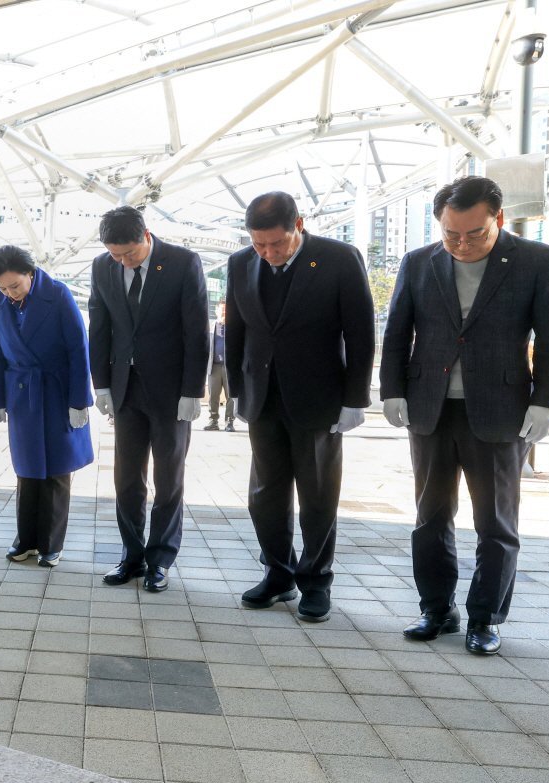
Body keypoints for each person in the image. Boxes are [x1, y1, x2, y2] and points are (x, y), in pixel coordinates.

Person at [381, 176, 549, 655]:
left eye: (475, 233)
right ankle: (436, 609)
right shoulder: (418, 262)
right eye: (451, 234)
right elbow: (398, 333)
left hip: (501, 412)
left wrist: (548, 400)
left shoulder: (536, 260)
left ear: (499, 220)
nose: (461, 244)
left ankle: (485, 617)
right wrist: (392, 391)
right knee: (430, 517)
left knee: (496, 523)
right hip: (431, 409)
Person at [225, 192, 375, 623]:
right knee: (264, 495)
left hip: (319, 399)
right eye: (259, 244)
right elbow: (237, 331)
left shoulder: (339, 258)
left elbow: (361, 332)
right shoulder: (240, 263)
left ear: (299, 225)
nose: (268, 253)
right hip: (263, 396)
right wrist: (236, 388)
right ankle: (278, 573)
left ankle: (316, 581)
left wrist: (355, 398)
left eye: (277, 243)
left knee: (317, 497)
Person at [88, 206, 209, 593]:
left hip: (171, 391)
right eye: (115, 255)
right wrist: (101, 384)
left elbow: (197, 331)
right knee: (126, 479)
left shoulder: (182, 262)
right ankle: (131, 555)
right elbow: (100, 327)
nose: (122, 261)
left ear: (146, 235)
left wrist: (193, 390)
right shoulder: (102, 267)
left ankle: (160, 559)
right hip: (126, 388)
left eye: (129, 253)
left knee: (168, 477)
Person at [0, 245, 93, 567]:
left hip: (56, 390)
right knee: (27, 470)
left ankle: (51, 543)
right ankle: (26, 539)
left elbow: (78, 349)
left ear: (30, 273)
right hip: (21, 392)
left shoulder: (58, 295)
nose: (10, 293)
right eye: (2, 288)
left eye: (15, 285)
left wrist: (79, 401)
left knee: (57, 470)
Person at [205, 301, 235, 432]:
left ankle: (229, 422)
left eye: (225, 310)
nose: (223, 312)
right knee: (213, 396)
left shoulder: (234, 327)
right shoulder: (211, 327)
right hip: (214, 367)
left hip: (229, 367)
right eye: (221, 310)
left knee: (231, 396)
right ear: (216, 311)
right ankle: (213, 421)